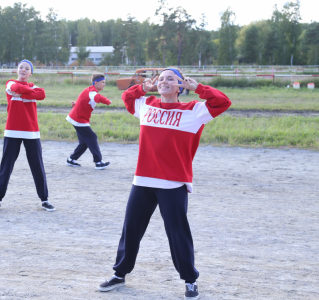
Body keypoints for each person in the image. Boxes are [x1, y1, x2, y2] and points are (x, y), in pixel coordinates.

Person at [98, 68, 232, 300]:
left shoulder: (194, 111)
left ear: (181, 86)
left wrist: (198, 88)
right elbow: (127, 97)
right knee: (131, 230)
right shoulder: (147, 104)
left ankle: (190, 280)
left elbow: (222, 102)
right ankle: (120, 274)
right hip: (143, 180)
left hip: (173, 183)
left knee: (178, 233)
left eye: (171, 79)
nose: (164, 82)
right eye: (160, 79)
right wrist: (142, 87)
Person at [0, 60, 55, 213]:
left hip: (31, 132)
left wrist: (23, 93)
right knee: (6, 166)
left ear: (31, 73)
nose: (23, 70)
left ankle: (44, 200)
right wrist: (26, 93)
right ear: (17, 70)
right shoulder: (10, 83)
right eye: (21, 68)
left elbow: (42, 94)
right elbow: (15, 87)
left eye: (27, 68)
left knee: (38, 167)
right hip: (12, 131)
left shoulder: (35, 87)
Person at [66, 74, 112, 170]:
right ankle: (98, 162)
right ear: (96, 83)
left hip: (77, 118)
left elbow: (83, 99)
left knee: (84, 142)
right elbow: (98, 98)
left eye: (105, 82)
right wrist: (108, 101)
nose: (105, 84)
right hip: (79, 119)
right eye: (102, 82)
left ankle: (71, 159)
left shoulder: (89, 90)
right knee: (92, 137)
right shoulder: (92, 92)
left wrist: (76, 103)